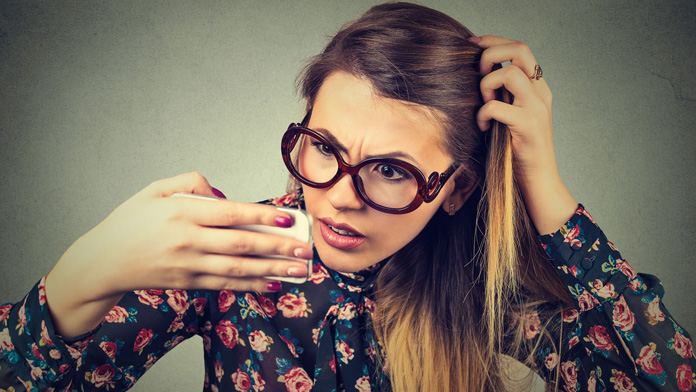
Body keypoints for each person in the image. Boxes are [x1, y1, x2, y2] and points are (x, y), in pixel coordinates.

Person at [1, 2, 694, 391]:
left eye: (390, 170)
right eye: (325, 148)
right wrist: (85, 273)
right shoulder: (230, 262)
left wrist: (542, 182)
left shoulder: (482, 300)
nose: (338, 197)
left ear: (455, 191)